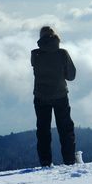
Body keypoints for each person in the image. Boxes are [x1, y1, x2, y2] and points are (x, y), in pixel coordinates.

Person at [31, 26, 77, 166]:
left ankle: (45, 162)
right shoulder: (62, 53)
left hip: (40, 96)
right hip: (60, 95)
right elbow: (71, 76)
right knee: (65, 129)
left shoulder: (35, 54)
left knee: (43, 131)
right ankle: (69, 160)